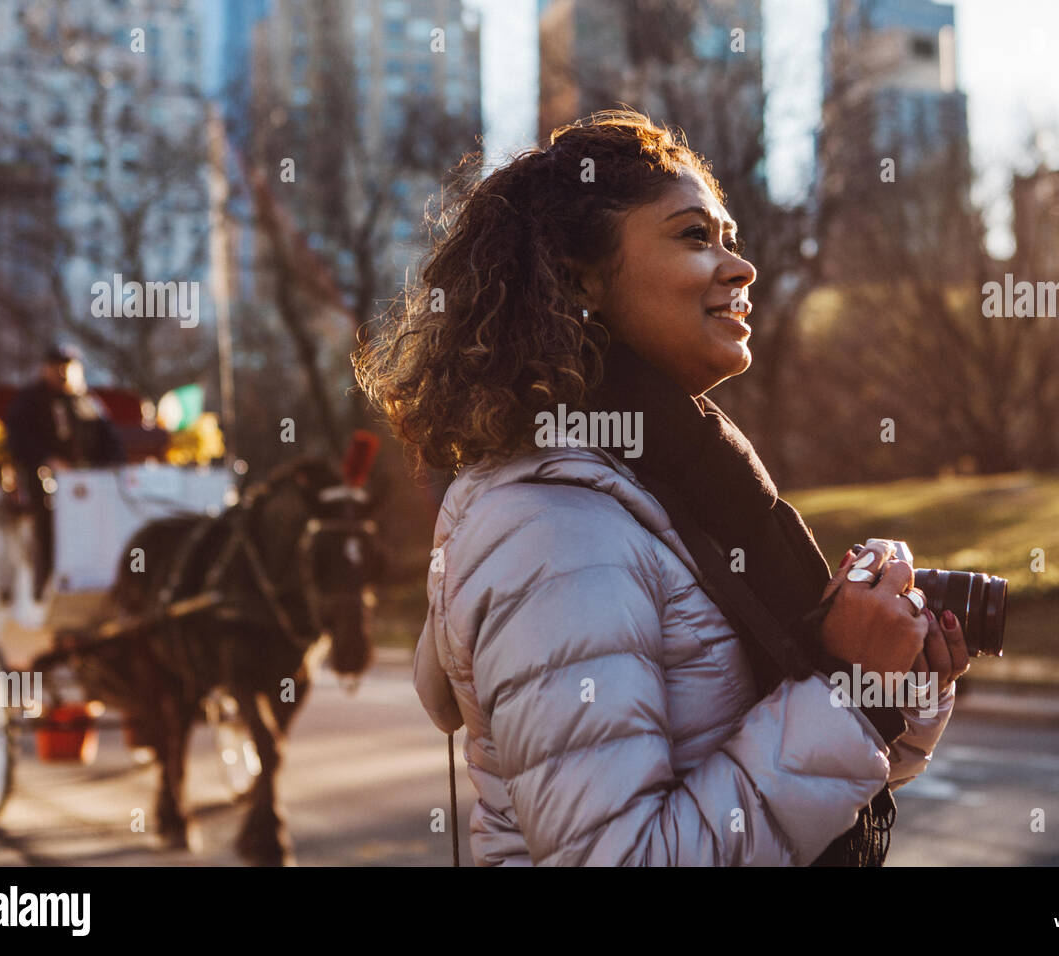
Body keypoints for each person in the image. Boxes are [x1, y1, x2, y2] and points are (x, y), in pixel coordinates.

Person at [355, 110, 969, 866]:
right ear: (582, 277)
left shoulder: (676, 489)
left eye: (730, 238)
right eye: (693, 236)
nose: (738, 267)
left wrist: (888, 682)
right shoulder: (552, 529)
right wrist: (843, 684)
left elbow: (808, 808)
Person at [4, 342, 126, 596]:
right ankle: (46, 584)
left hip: (87, 483)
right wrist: (47, 458)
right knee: (48, 528)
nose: (62, 373)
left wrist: (113, 463)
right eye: (57, 367)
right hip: (43, 482)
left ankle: (98, 580)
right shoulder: (29, 400)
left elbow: (109, 437)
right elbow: (18, 438)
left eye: (68, 367)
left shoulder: (85, 400)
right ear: (45, 368)